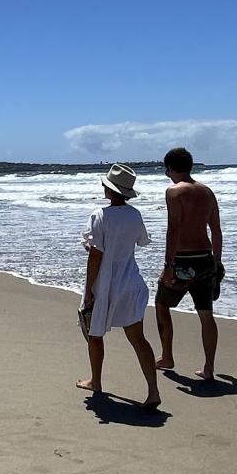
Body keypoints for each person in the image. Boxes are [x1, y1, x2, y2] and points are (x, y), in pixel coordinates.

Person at [77, 164, 161, 409]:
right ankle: (153, 391)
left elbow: (96, 255)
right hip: (131, 281)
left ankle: (96, 381)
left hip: (107, 284)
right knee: (138, 338)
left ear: (108, 188)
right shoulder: (134, 215)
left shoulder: (100, 215)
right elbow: (138, 242)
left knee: (94, 334)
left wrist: (87, 291)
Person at [154, 147, 223, 380]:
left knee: (162, 305)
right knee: (206, 314)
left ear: (170, 168)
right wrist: (218, 262)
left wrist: (168, 265)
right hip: (206, 259)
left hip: (183, 261)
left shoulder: (174, 191)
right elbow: (216, 229)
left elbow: (173, 229)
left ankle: (167, 356)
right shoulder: (207, 191)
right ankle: (209, 368)